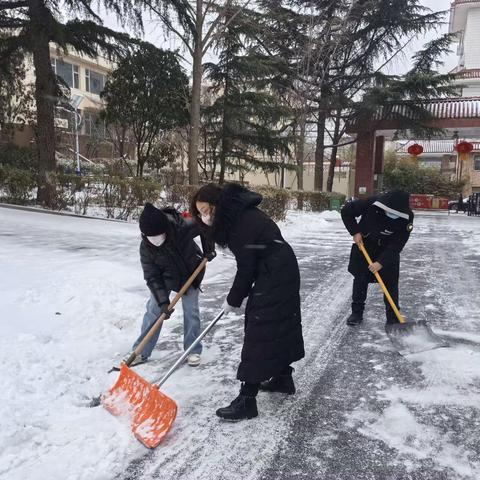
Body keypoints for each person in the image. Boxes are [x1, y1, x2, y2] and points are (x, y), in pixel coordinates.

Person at [191, 183, 304, 421]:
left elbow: (246, 269)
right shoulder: (237, 215)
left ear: (217, 205)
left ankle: (247, 400)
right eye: (200, 212)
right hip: (279, 268)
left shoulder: (241, 223)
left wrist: (233, 299)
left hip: (275, 272)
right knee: (277, 325)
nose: (204, 216)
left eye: (206, 210)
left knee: (259, 330)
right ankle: (283, 378)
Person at [129, 203, 213, 367]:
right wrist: (163, 302)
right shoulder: (146, 247)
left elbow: (205, 225)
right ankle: (141, 351)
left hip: (190, 272)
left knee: (191, 311)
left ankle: (193, 350)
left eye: (158, 235)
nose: (155, 240)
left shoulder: (182, 228)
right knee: (154, 309)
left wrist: (209, 248)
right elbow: (152, 276)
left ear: (166, 229)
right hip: (165, 277)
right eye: (150, 237)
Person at [341, 190, 414, 328]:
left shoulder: (407, 217)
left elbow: (398, 243)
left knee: (391, 283)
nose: (393, 216)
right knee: (360, 280)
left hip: (387, 250)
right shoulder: (371, 203)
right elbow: (346, 211)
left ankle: (393, 318)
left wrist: (381, 262)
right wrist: (355, 231)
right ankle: (357, 313)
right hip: (365, 245)